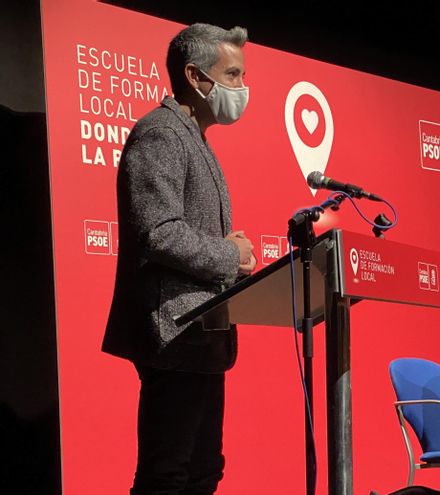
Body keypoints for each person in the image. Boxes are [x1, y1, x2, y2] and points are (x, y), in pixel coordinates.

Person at [103, 23, 256, 495]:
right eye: (231, 74)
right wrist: (229, 253)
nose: (241, 88)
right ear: (195, 76)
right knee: (168, 475)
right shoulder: (161, 133)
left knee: (203, 470)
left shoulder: (194, 138)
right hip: (175, 333)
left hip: (202, 338)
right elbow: (158, 231)